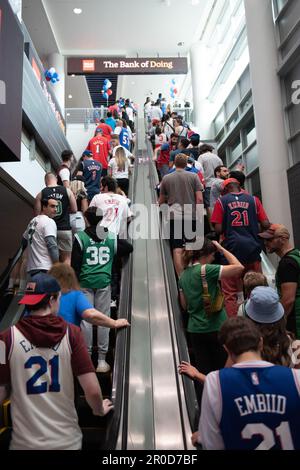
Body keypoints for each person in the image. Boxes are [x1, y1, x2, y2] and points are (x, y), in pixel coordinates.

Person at [0, 273, 113, 450]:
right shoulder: (73, 334)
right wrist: (98, 409)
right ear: (53, 299)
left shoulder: (5, 339)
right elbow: (91, 389)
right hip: (66, 442)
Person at [196, 316, 300, 450]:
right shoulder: (295, 378)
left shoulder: (214, 381)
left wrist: (201, 437)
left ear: (227, 349)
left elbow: (212, 445)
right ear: (261, 343)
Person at [71, 207, 133, 373]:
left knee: (86, 320)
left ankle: (87, 358)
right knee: (104, 319)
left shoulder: (80, 237)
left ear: (87, 219)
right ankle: (102, 361)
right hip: (104, 282)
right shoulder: (110, 236)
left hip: (84, 283)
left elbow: (74, 266)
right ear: (101, 218)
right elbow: (128, 248)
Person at [179, 239, 244, 388]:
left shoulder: (183, 276)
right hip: (217, 327)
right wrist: (222, 248)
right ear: (205, 255)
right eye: (212, 254)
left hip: (195, 330)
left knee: (204, 371)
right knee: (224, 372)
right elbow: (238, 267)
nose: (214, 258)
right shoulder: (207, 269)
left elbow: (184, 304)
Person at [211, 178, 270, 317]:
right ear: (240, 187)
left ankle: (235, 324)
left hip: (231, 251)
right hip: (252, 248)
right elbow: (266, 224)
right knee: (257, 287)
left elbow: (218, 229)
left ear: (225, 190)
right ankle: (258, 319)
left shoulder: (221, 201)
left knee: (230, 292)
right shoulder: (254, 200)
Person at [158, 153, 203, 276]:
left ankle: (181, 278)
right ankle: (192, 275)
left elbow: (161, 200)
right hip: (191, 214)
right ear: (186, 164)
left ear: (175, 163)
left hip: (174, 216)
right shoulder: (194, 176)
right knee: (190, 245)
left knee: (177, 248)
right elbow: (199, 199)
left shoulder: (166, 178)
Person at [49, 262, 129, 330]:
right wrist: (114, 323)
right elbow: (91, 315)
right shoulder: (74, 295)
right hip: (66, 341)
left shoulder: (44, 295)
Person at [259, 224, 300, 339]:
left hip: (295, 320)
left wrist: (276, 324)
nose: (266, 243)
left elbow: (288, 299)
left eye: (270, 239)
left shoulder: (287, 263)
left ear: (283, 239)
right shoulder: (297, 254)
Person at [35, 172, 77, 265]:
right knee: (66, 258)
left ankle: (53, 278)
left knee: (50, 259)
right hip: (64, 229)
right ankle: (65, 279)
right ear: (57, 179)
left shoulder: (41, 193)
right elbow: (75, 209)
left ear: (45, 182)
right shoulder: (67, 191)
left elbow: (38, 214)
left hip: (48, 230)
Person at [22, 198, 59, 276]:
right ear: (44, 207)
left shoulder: (32, 221)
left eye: (56, 207)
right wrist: (57, 265)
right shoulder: (49, 221)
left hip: (32, 270)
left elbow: (24, 240)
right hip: (45, 269)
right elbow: (52, 245)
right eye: (52, 206)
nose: (55, 209)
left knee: (32, 288)